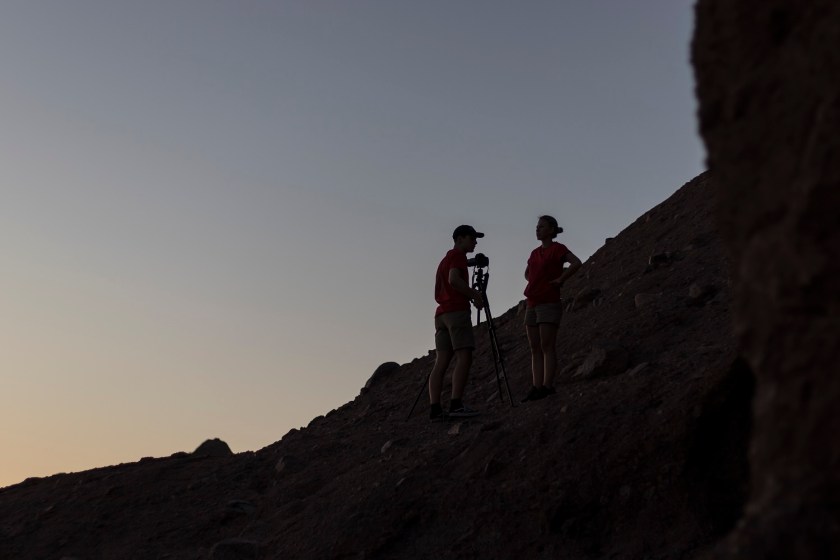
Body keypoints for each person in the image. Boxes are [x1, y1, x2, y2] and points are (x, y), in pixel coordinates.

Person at [428, 225, 486, 420]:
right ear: (460, 239)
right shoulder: (457, 256)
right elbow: (454, 280)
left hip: (441, 314)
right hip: (456, 312)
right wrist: (475, 295)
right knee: (465, 357)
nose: (475, 242)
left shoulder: (445, 259)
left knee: (441, 361)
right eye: (472, 239)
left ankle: (435, 409)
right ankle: (456, 405)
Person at [521, 215, 582, 402]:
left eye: (541, 226)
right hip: (532, 302)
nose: (537, 229)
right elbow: (527, 273)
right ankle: (536, 386)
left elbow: (576, 262)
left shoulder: (558, 249)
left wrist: (561, 279)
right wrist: (534, 281)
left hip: (549, 301)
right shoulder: (534, 253)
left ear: (551, 230)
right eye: (537, 226)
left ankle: (547, 386)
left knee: (547, 345)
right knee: (534, 347)